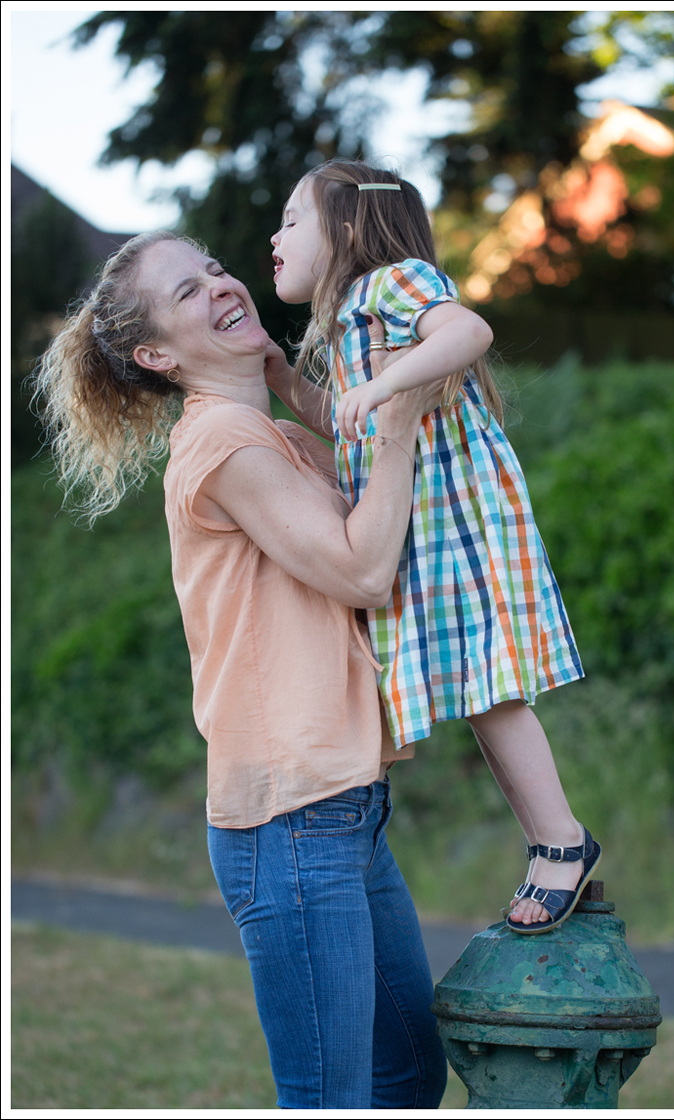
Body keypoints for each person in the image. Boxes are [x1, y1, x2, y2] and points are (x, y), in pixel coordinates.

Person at [32, 230, 448, 1110]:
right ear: (157, 355)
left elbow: (387, 505)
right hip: (291, 820)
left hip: (345, 806)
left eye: (215, 269)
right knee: (331, 1098)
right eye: (188, 291)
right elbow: (364, 570)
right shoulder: (225, 444)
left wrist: (299, 384)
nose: (221, 285)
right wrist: (400, 413)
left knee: (410, 1074)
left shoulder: (273, 435)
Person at [268, 159, 600, 935]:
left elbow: (468, 331)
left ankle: (561, 841)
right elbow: (349, 423)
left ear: (346, 228)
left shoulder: (392, 283)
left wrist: (384, 386)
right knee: (479, 696)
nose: (274, 238)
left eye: (291, 220)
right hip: (420, 526)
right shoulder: (347, 319)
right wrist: (285, 381)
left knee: (492, 691)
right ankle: (550, 843)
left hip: (457, 514)